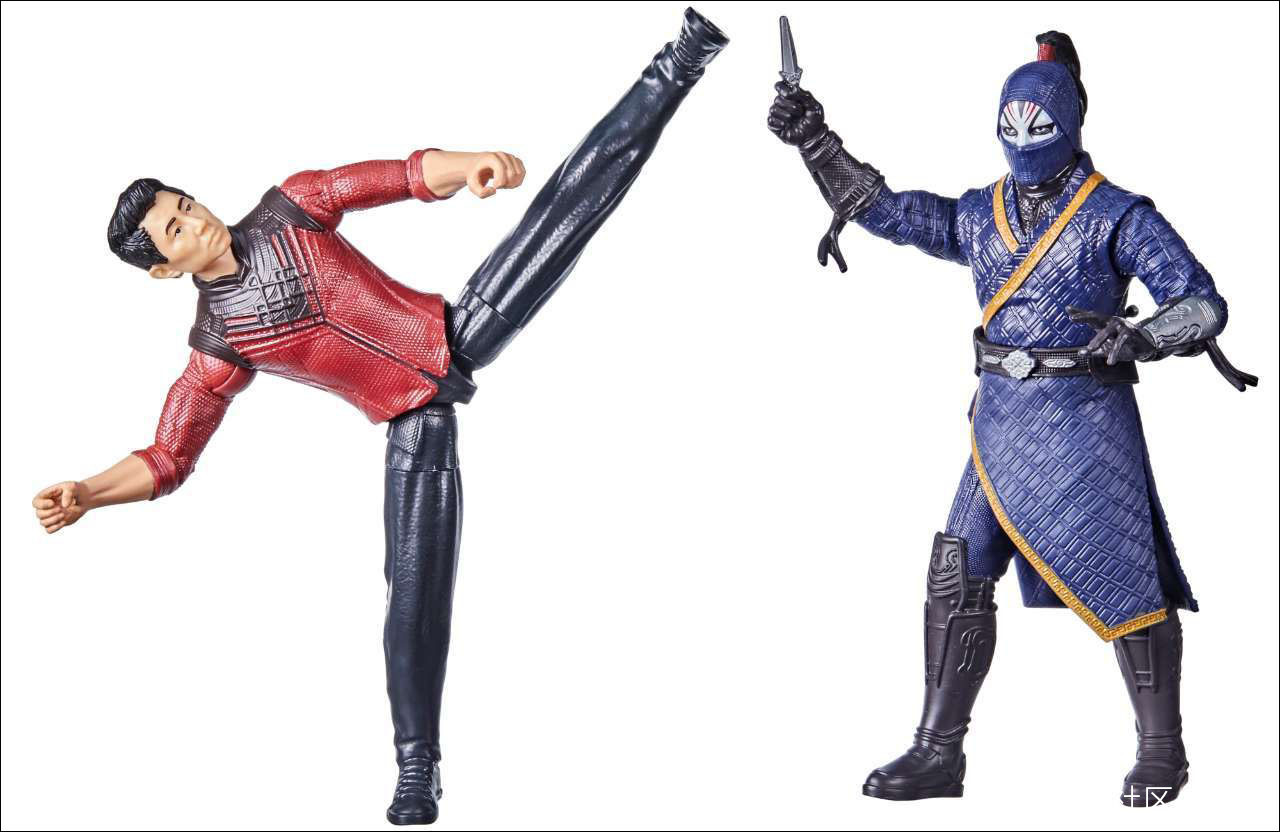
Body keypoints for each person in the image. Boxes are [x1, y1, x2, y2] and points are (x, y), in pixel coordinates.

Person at [32, 8, 728, 824]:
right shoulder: (218, 342)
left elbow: (391, 178)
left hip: (460, 329)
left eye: (185, 203)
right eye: (174, 228)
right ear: (163, 269)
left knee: (564, 216)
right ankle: (416, 765)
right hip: (412, 422)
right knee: (411, 596)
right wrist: (88, 492)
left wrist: (466, 165)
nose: (194, 218)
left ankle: (678, 62)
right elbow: (167, 456)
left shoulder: (288, 207)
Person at [767, 30, 1253, 807]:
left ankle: (1163, 751)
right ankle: (938, 752)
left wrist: (1145, 336)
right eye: (1012, 124)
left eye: (1040, 123)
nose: (1024, 139)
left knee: (1124, 576)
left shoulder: (1117, 215)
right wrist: (816, 143)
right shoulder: (980, 215)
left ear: (1069, 122)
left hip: (1086, 423)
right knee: (956, 572)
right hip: (999, 423)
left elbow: (1200, 301)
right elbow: (886, 210)